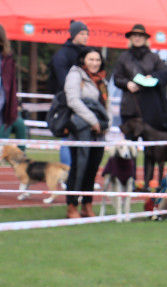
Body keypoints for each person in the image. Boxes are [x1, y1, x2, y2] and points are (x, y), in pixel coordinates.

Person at [113, 24, 167, 189]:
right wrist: (127, 84)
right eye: (134, 35)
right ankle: (129, 181)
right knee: (130, 149)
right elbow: (116, 78)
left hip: (150, 110)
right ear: (131, 38)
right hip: (130, 109)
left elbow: (166, 74)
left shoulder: (153, 57)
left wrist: (152, 77)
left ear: (146, 38)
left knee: (151, 150)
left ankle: (149, 182)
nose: (137, 38)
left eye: (140, 35)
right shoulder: (124, 57)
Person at [64, 47, 109, 219]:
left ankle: (87, 204)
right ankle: (72, 205)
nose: (95, 63)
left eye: (97, 60)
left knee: (92, 169)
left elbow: (107, 105)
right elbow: (73, 100)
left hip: (99, 133)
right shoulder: (76, 75)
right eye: (91, 59)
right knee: (78, 168)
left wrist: (106, 124)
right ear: (83, 60)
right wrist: (93, 121)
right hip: (80, 130)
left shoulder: (102, 80)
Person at [48, 20, 89, 166]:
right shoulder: (62, 55)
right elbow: (63, 80)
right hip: (66, 103)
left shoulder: (86, 53)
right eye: (82, 33)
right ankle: (66, 175)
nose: (85, 37)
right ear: (73, 35)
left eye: (87, 34)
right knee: (67, 137)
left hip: (84, 102)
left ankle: (78, 177)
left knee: (83, 138)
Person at [0, 24, 28, 148]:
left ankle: (22, 157)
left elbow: (11, 87)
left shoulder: (7, 59)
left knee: (18, 126)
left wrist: (13, 107)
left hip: (2, 108)